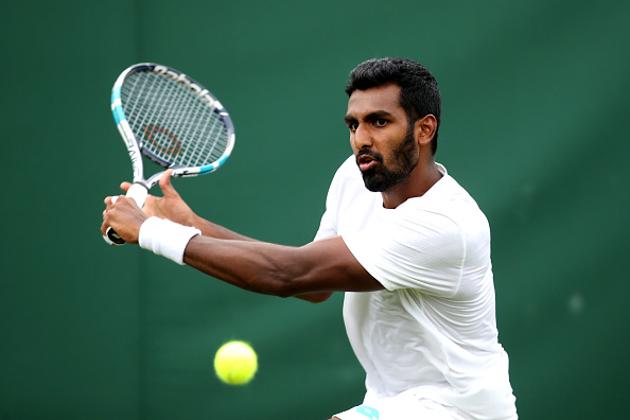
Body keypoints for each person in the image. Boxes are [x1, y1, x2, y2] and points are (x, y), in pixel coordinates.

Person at [101, 57, 518, 419]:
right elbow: (315, 283)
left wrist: (151, 232)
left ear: (424, 129)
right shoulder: (355, 177)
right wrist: (191, 225)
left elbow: (290, 275)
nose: (362, 139)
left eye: (379, 121)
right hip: (394, 401)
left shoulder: (444, 224)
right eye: (353, 124)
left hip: (461, 410)